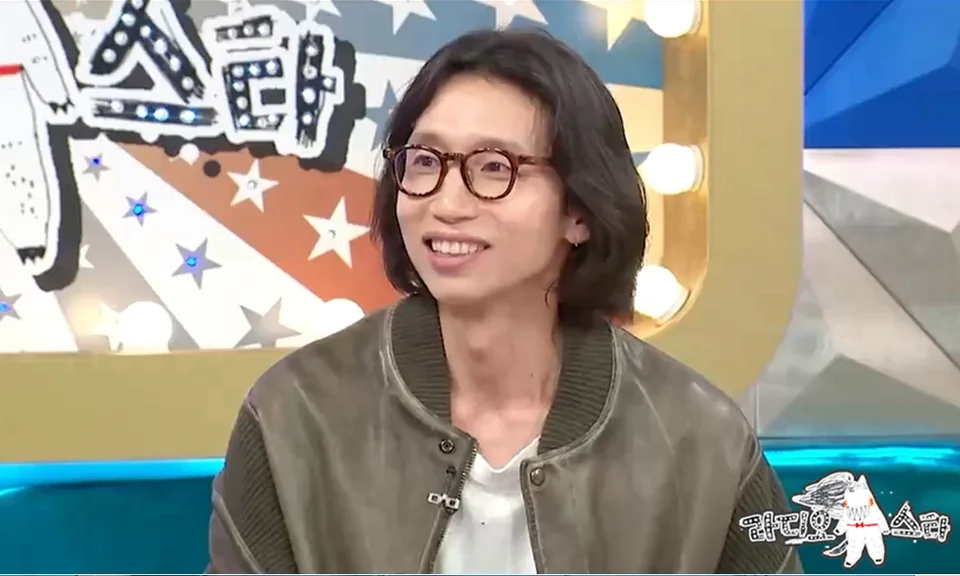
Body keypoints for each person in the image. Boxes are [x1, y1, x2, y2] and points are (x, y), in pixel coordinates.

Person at [206, 28, 802, 574]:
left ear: (579, 211)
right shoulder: (295, 414)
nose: (447, 204)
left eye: (495, 168)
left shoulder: (701, 440)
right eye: (425, 162)